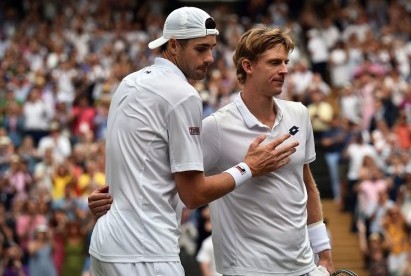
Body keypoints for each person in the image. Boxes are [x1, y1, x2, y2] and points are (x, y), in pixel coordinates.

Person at [90, 25, 334, 275]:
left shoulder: (300, 114)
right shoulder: (215, 128)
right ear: (248, 67)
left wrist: (324, 254)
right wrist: (117, 199)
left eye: (285, 62)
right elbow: (176, 184)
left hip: (305, 268)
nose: (284, 70)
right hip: (247, 270)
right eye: (274, 63)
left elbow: (308, 185)